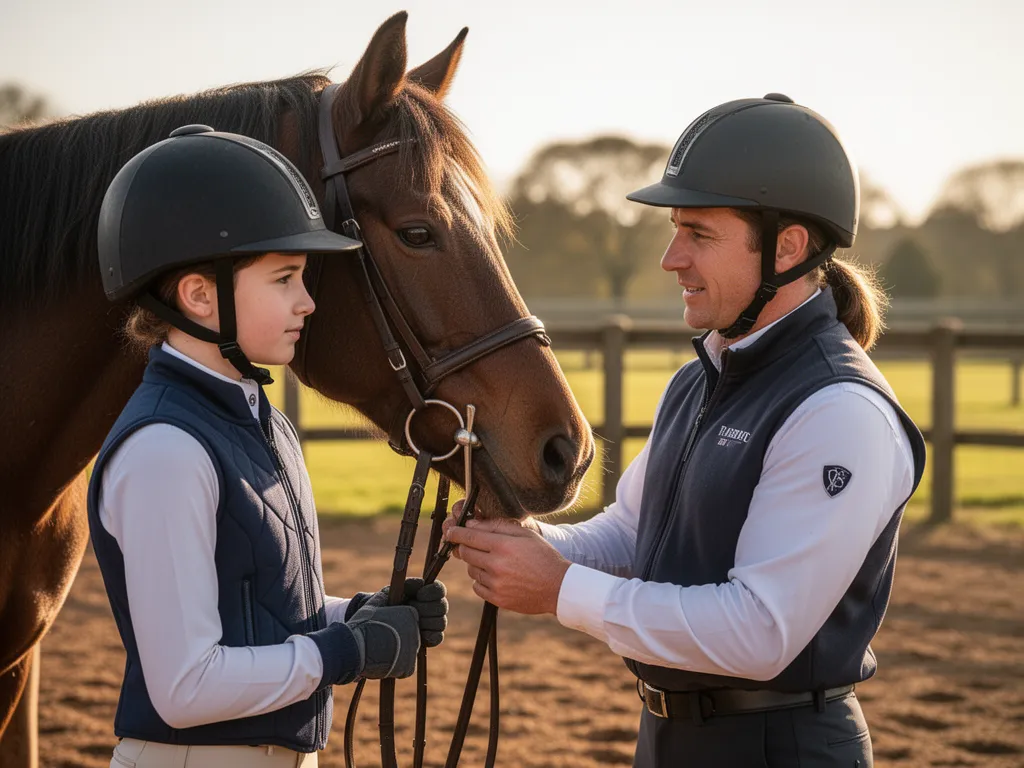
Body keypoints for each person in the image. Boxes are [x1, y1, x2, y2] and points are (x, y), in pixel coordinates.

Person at [445, 94, 927, 767]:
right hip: (669, 739)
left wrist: (557, 588)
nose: (671, 258)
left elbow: (759, 632)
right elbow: (636, 531)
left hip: (777, 748)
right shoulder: (698, 380)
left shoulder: (838, 410)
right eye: (675, 230)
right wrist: (526, 544)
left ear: (787, 247)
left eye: (698, 234)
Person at [89, 125, 448, 768]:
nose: (307, 302)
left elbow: (261, 609)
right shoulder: (165, 451)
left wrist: (361, 612)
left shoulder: (264, 423)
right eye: (284, 278)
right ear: (200, 295)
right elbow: (185, 687)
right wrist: (346, 652)